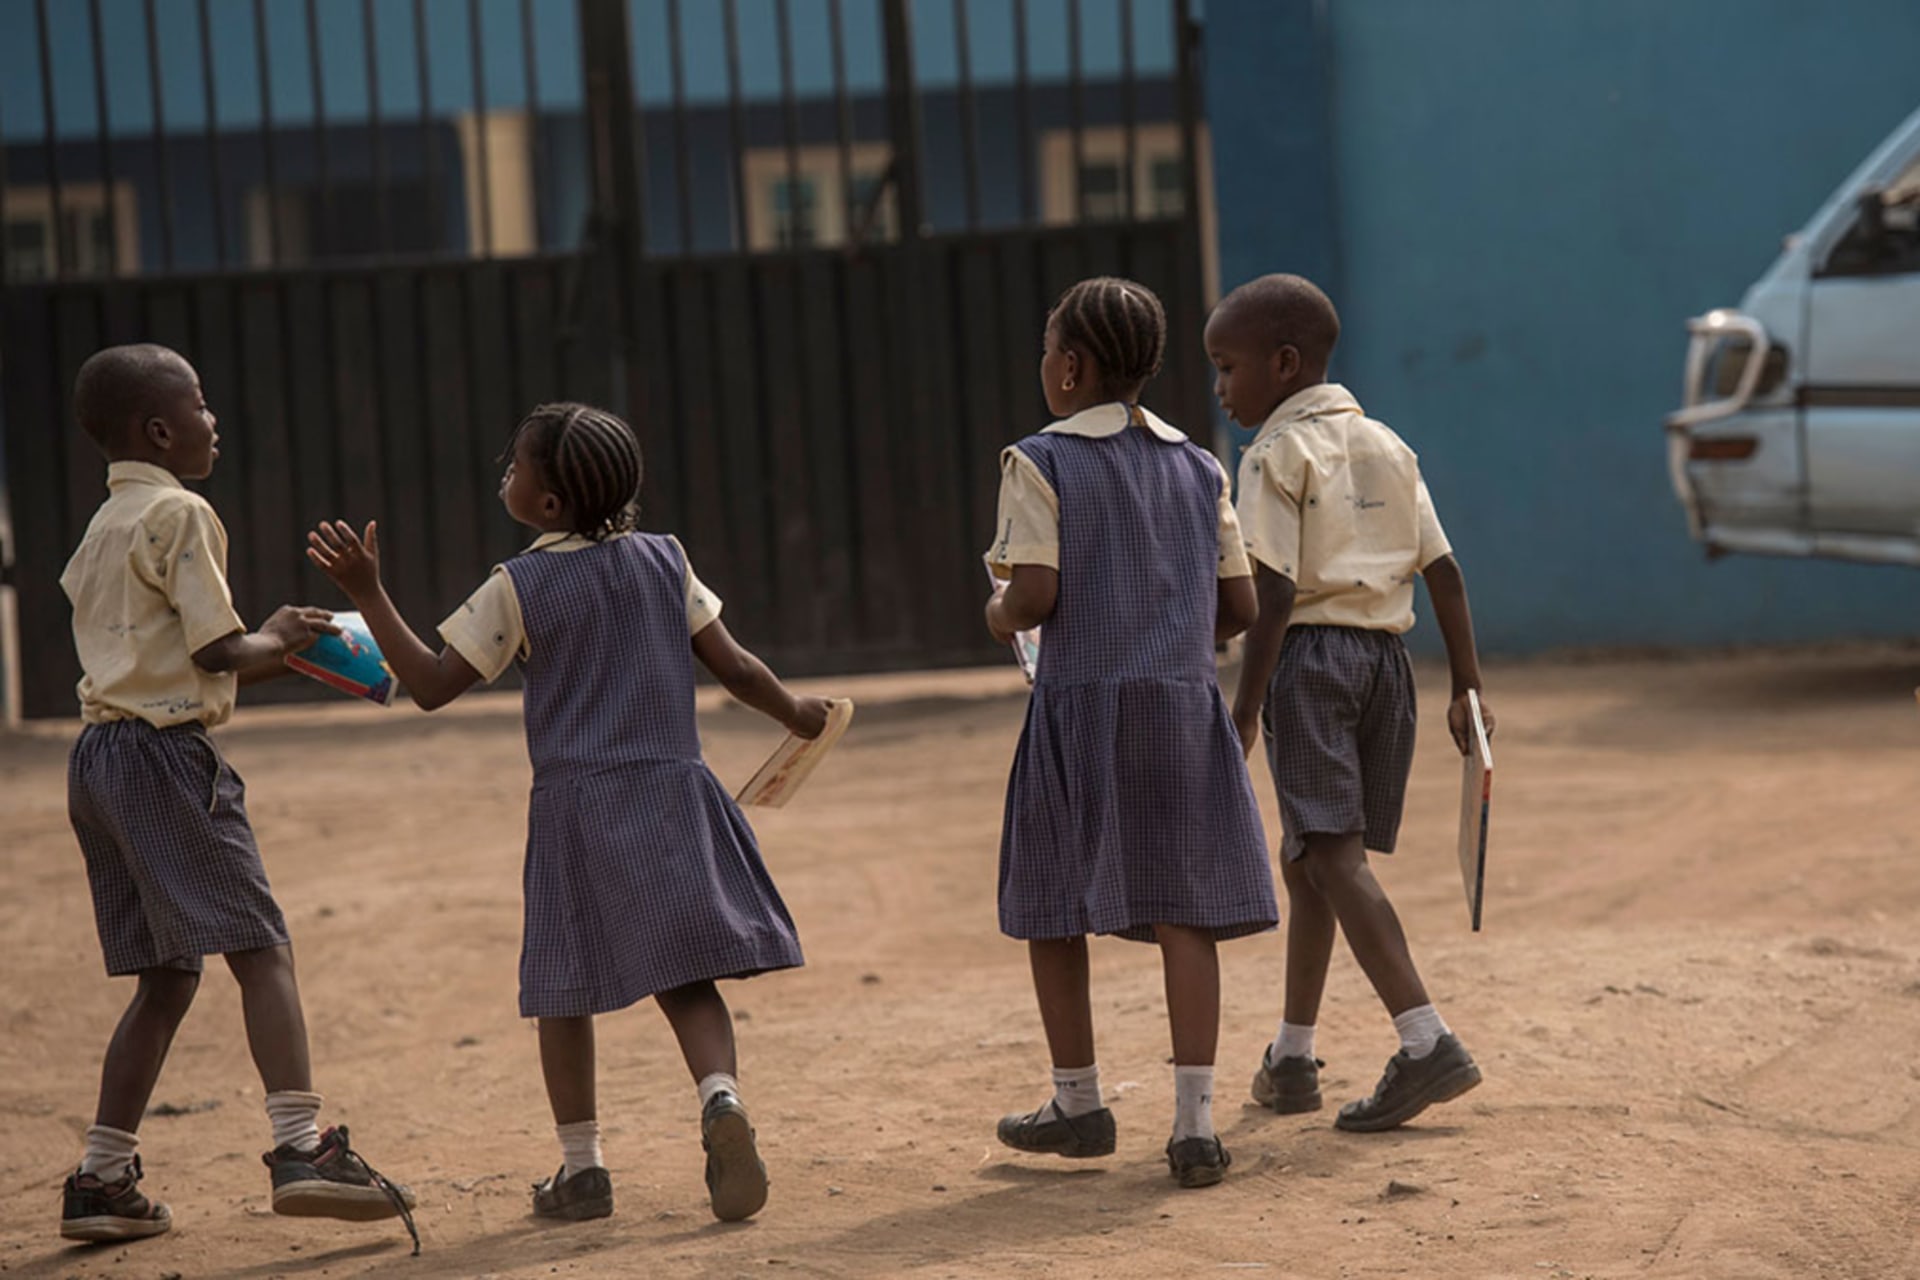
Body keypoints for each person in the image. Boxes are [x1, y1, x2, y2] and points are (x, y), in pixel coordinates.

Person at [306, 401, 829, 1224]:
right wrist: (796, 713)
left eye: (514, 468)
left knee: (562, 986)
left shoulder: (518, 585)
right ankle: (720, 1098)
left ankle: (582, 1169)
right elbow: (735, 666)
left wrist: (369, 593)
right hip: (671, 788)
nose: (504, 476)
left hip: (576, 808)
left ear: (547, 507)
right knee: (687, 975)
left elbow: (433, 685)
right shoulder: (666, 559)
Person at [57, 344, 416, 1247]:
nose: (214, 420)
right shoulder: (182, 514)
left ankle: (103, 1177)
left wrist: (263, 642)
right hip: (169, 760)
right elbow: (220, 653)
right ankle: (304, 1148)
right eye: (203, 403)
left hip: (99, 762)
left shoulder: (100, 528)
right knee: (263, 949)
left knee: (168, 976)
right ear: (161, 430)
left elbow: (156, 650)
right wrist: (283, 635)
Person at [985, 277, 1277, 1188]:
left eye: (1046, 348)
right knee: (1182, 907)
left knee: (1050, 901)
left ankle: (1078, 1101)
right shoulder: (1199, 465)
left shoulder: (1038, 461)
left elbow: (1034, 595)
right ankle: (1195, 1124)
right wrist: (1170, 634)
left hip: (1080, 709)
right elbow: (1239, 604)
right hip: (1183, 709)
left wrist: (998, 614)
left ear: (1069, 368)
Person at [1208, 273, 1494, 1132]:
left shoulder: (1273, 455)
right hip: (1387, 666)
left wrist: (1248, 704)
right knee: (1312, 862)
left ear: (1283, 364)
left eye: (1227, 367)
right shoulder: (1386, 444)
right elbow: (1443, 569)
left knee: (1331, 857)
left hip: (1310, 663)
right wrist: (1468, 683)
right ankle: (1292, 1057)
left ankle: (1424, 1039)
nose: (1221, 388)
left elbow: (1274, 585)